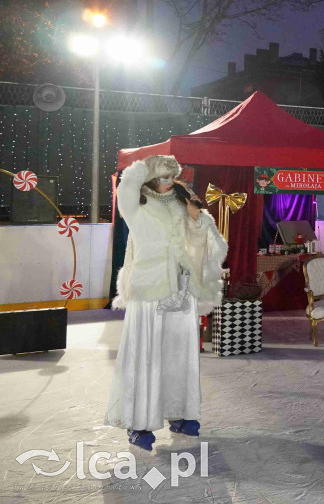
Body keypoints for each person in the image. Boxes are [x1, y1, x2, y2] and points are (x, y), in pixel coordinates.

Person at [106, 155, 228, 450]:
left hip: (182, 289)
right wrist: (144, 165)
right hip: (150, 289)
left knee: (180, 355)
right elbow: (126, 187)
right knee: (145, 355)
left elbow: (213, 246)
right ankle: (139, 423)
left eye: (171, 175)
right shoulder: (135, 204)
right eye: (161, 175)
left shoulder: (184, 204)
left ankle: (182, 415)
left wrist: (197, 219)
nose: (166, 180)